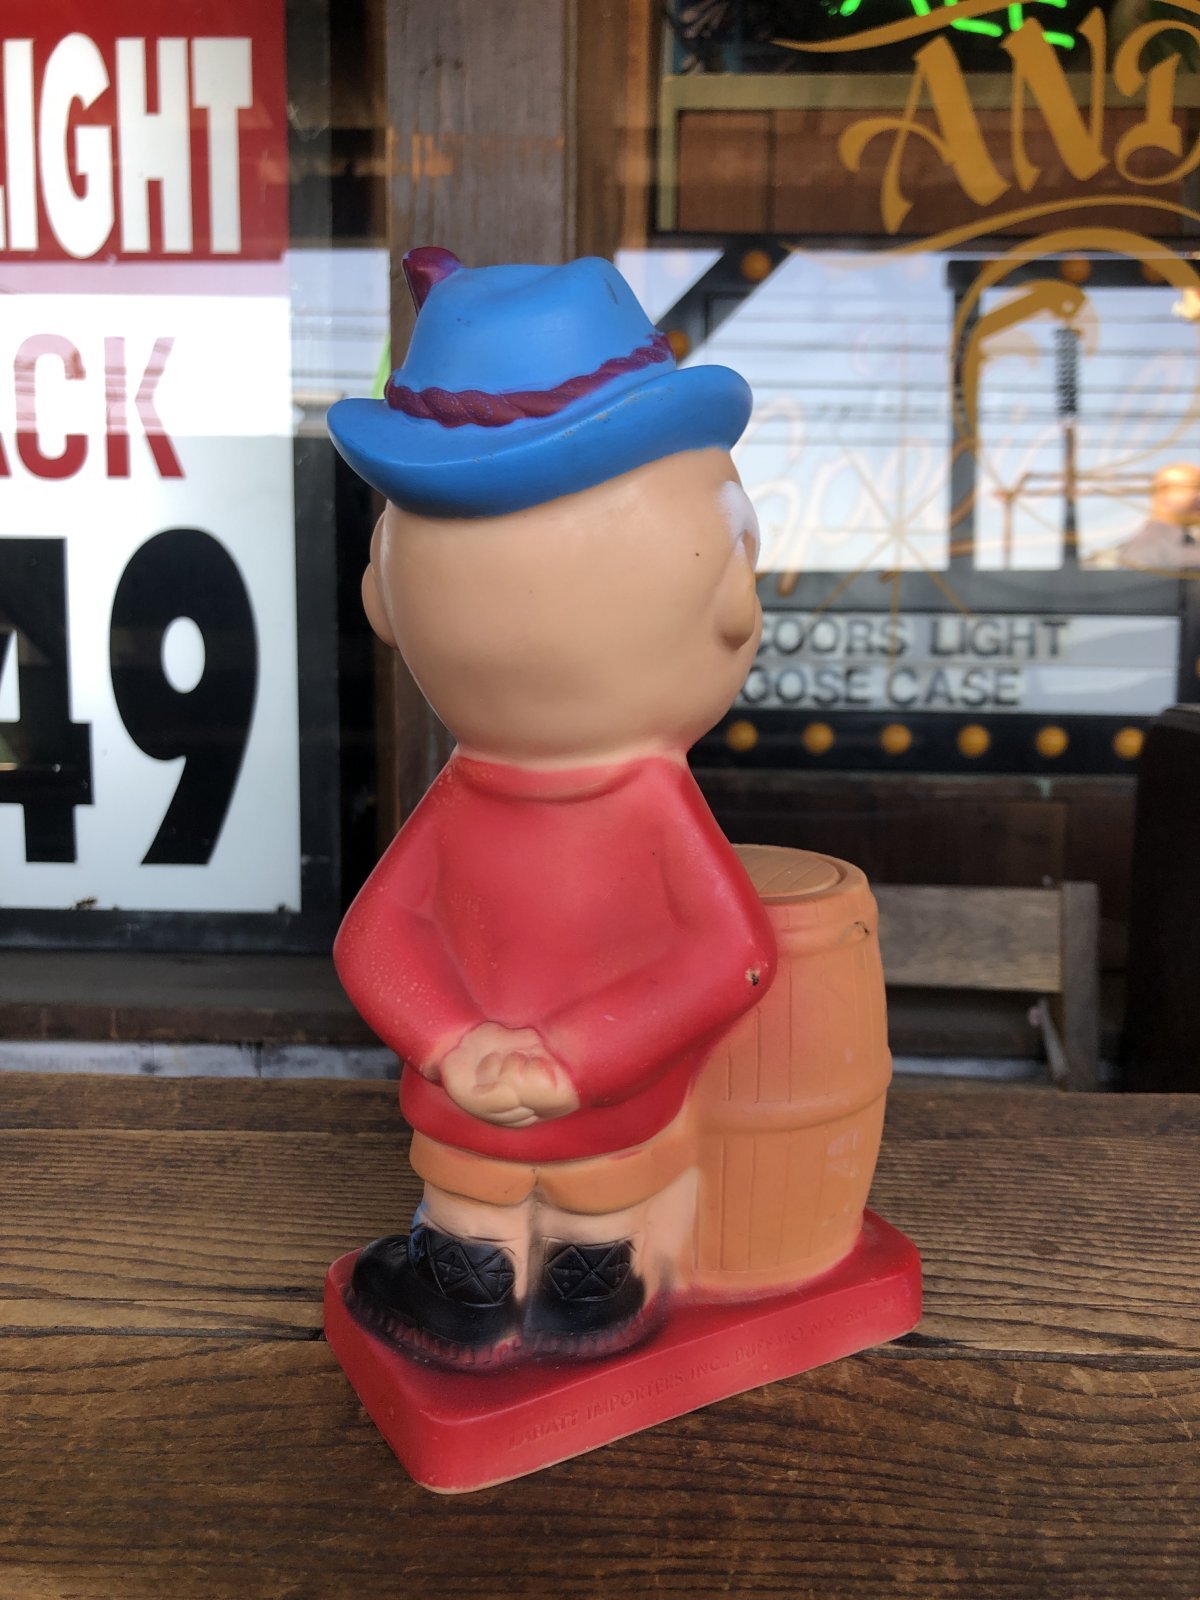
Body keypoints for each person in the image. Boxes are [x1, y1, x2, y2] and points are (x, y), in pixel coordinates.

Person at [326, 248, 777, 1366]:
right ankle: (509, 1278)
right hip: (549, 1084)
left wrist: (524, 1053)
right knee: (495, 1189)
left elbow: (732, 961)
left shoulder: (607, 802)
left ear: (385, 594)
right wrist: (465, 1043)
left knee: (564, 1187)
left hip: (567, 1086)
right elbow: (378, 940)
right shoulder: (495, 796)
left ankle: (578, 1274)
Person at [1112, 463, 1200, 570]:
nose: (1198, 496)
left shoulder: (1185, 540)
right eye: (1194, 488)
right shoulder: (1145, 549)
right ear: (1164, 492)